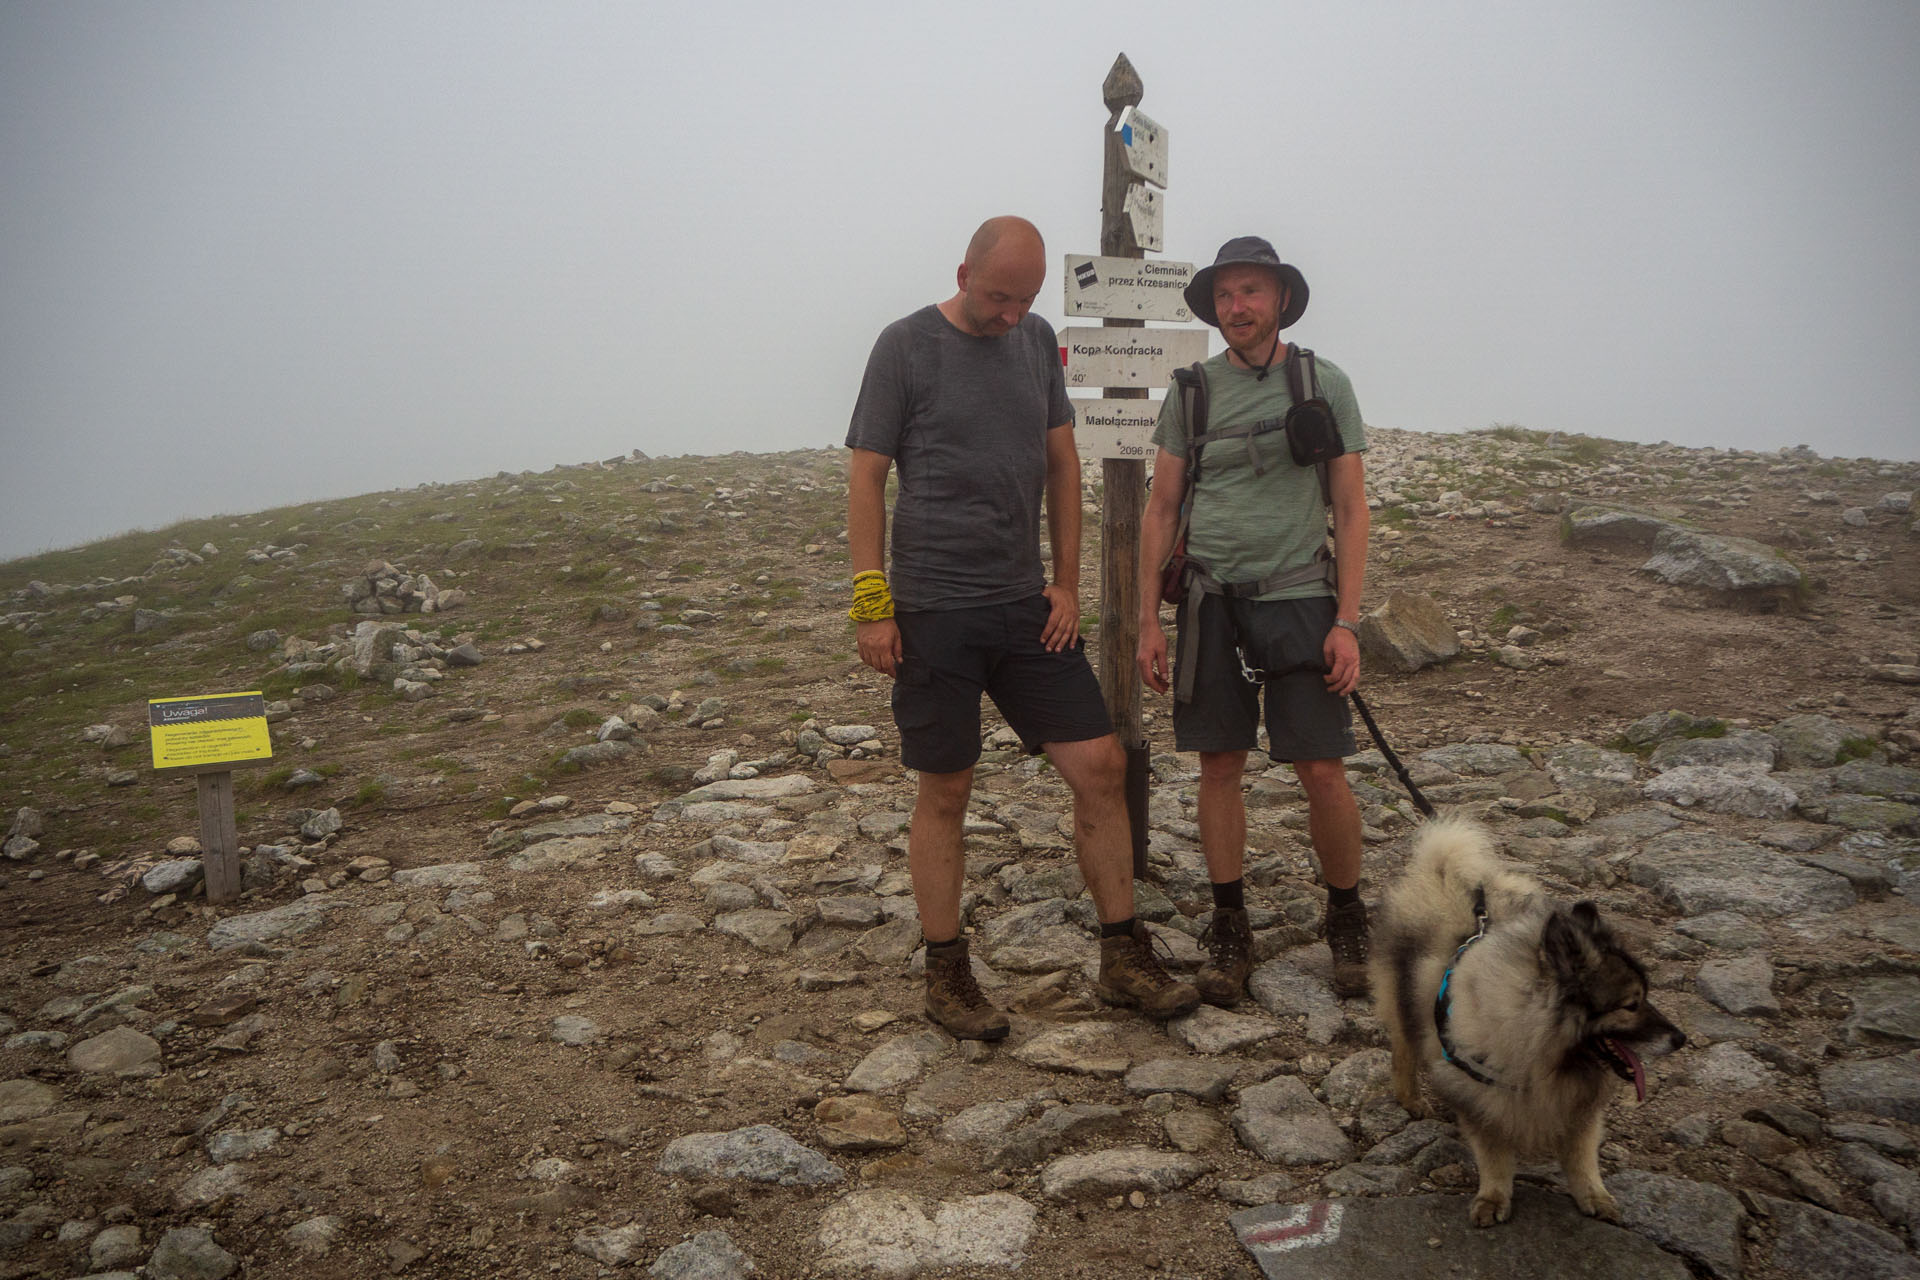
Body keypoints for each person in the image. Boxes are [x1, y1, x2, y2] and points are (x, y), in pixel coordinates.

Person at [846, 215, 1201, 1040]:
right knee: (948, 787)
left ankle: (1121, 955)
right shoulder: (903, 346)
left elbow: (1062, 461)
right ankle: (948, 973)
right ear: (963, 270)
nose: (1011, 314)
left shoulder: (1038, 340)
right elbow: (867, 476)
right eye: (999, 296)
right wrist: (873, 606)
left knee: (1102, 764)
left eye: (1026, 299)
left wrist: (1067, 584)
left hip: (1022, 606)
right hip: (933, 608)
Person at [1136, 236, 1374, 1003]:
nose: (1237, 308)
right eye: (1226, 296)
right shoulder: (1192, 392)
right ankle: (1229, 925)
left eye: (1251, 293)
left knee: (1322, 771)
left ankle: (1347, 919)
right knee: (1219, 767)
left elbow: (1350, 506)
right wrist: (1146, 620)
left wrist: (1348, 621)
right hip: (1211, 603)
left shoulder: (1322, 383)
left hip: (1302, 600)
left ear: (1279, 300)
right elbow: (1162, 506)